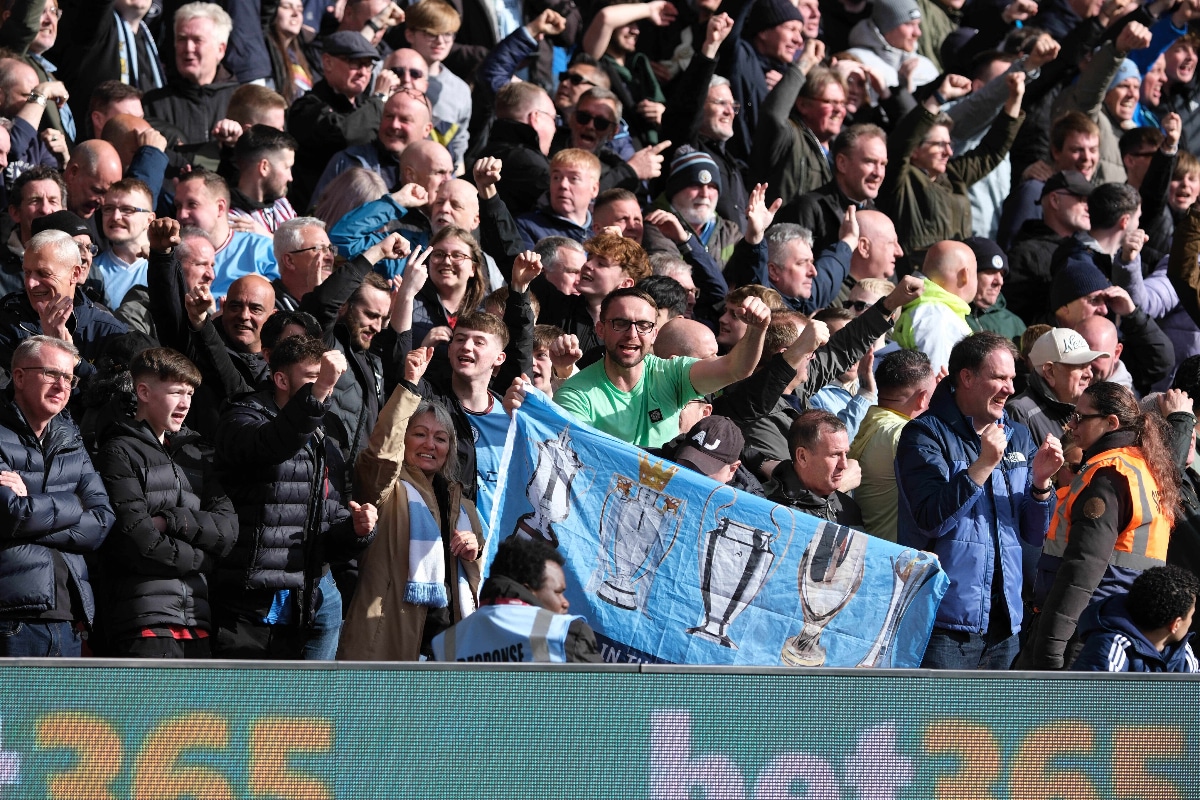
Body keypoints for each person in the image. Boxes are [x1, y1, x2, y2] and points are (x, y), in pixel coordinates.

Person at [897, 331, 1064, 669]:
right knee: (941, 723)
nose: (1010, 389)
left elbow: (1034, 534)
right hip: (945, 622)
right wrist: (983, 464)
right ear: (967, 378)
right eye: (999, 377)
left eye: (1013, 378)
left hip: (1006, 624)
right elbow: (931, 517)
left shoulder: (1016, 434)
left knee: (996, 724)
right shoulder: (925, 434)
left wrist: (1041, 483)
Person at [214, 336, 378, 660]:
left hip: (314, 597)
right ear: (280, 379)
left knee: (307, 709)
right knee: (248, 705)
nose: (326, 386)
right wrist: (316, 395)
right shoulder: (242, 416)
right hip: (254, 598)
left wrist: (358, 528)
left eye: (328, 378)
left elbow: (329, 523)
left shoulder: (326, 437)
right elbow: (273, 444)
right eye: (314, 378)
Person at [1020, 381, 1179, 670]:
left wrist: (1050, 648)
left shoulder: (1107, 475)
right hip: (1119, 626)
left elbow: (1082, 569)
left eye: (1081, 417)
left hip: (1086, 629)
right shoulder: (1144, 467)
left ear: (1111, 423)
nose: (1071, 424)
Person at [340, 347, 484, 661]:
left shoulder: (462, 502)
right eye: (419, 434)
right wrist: (409, 386)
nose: (430, 444)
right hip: (387, 632)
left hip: (449, 643)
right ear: (404, 439)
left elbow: (476, 573)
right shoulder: (387, 485)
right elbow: (382, 451)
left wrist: (476, 549)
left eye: (440, 438)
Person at [93, 347, 237, 658]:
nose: (185, 403)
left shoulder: (196, 454)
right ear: (143, 391)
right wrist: (203, 560)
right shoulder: (118, 451)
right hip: (143, 621)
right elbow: (137, 541)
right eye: (176, 392)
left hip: (198, 619)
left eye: (189, 393)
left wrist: (171, 520)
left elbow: (228, 531)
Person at [0, 336, 114, 656]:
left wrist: (30, 505)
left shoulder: (70, 439)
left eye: (69, 378)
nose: (61, 385)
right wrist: (74, 504)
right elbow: (10, 513)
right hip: (11, 616)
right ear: (19, 377)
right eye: (51, 373)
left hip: (69, 618)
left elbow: (102, 521)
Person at [552, 286, 771, 447]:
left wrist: (757, 328)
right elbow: (578, 456)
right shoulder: (575, 393)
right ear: (600, 330)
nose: (632, 334)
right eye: (620, 323)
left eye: (644, 326)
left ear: (655, 333)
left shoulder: (671, 373)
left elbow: (736, 369)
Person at [431, 535, 601, 662]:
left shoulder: (444, 644)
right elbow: (604, 705)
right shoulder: (565, 632)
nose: (565, 602)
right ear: (528, 590)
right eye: (557, 592)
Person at [849, 349, 934, 542]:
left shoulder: (874, 422)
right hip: (896, 558)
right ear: (922, 398)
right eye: (934, 395)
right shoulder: (903, 435)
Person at [141, 3, 240, 148]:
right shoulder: (153, 104)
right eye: (182, 39)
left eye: (197, 40)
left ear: (221, 49)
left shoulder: (241, 100)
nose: (188, 48)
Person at [1072, 564, 1199, 672]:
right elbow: (1098, 698)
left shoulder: (1181, 651)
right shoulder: (1110, 649)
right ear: (1175, 624)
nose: (1191, 622)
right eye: (1191, 615)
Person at [1007, 328, 1109, 445]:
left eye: (1089, 366)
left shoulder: (1092, 409)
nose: (1089, 374)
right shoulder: (1020, 414)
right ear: (1050, 372)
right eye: (1080, 366)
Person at [766, 409, 864, 526]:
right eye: (835, 455)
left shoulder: (849, 508)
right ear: (802, 457)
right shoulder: (772, 511)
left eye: (845, 454)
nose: (844, 465)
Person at [892, 239, 976, 374]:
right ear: (964, 275)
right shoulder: (937, 317)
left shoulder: (923, 308)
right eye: (975, 273)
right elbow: (934, 379)